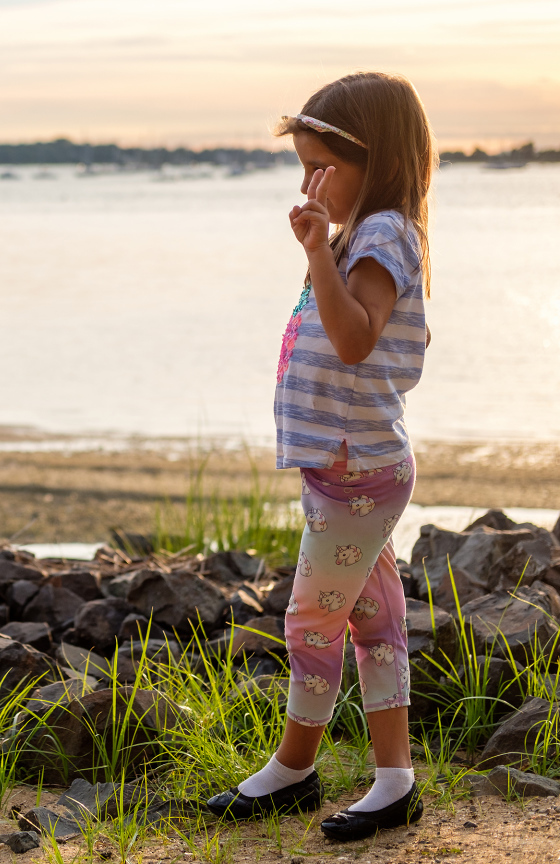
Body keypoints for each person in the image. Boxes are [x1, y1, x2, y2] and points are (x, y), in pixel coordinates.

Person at [205, 72, 435, 842]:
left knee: (310, 620)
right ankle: (394, 779)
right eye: (302, 166)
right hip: (347, 470)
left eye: (322, 167)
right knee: (373, 618)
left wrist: (314, 257)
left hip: (357, 473)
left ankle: (295, 766)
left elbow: (354, 338)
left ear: (379, 161)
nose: (309, 183)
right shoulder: (358, 236)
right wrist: (320, 250)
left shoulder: (381, 237)